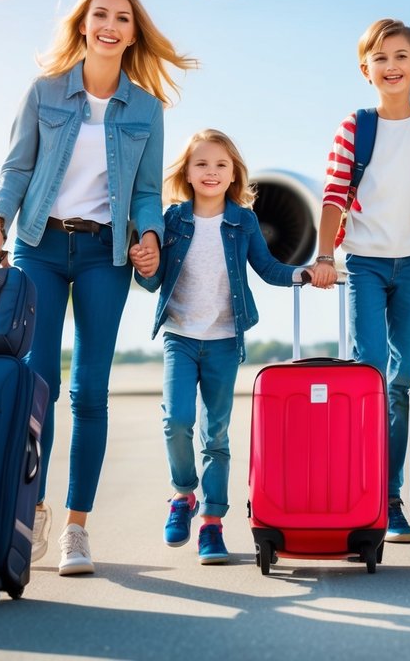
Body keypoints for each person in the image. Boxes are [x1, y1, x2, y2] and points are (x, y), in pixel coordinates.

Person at [0, 0, 195, 575]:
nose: (110, 25)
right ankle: (31, 509)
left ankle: (76, 530)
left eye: (122, 18)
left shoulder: (147, 108)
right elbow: (16, 170)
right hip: (39, 248)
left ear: (132, 33)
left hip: (104, 255)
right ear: (83, 24)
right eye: (100, 14)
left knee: (89, 390)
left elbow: (147, 192)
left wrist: (148, 237)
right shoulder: (44, 92)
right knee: (35, 383)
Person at [130, 129, 315, 564]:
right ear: (187, 173)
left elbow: (268, 268)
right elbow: (152, 280)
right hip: (180, 335)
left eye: (221, 165)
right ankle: (182, 495)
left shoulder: (243, 221)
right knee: (176, 421)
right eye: (202, 164)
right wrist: (143, 265)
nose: (211, 172)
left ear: (233, 174)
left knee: (216, 434)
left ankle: (212, 524)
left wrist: (305, 274)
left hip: (224, 340)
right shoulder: (171, 220)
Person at [309, 18, 410, 544]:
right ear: (365, 69)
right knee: (371, 372)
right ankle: (365, 490)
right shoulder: (356, 127)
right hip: (367, 264)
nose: (391, 66)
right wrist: (324, 255)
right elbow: (333, 194)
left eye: (401, 57)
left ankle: (390, 498)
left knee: (401, 382)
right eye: (381, 59)